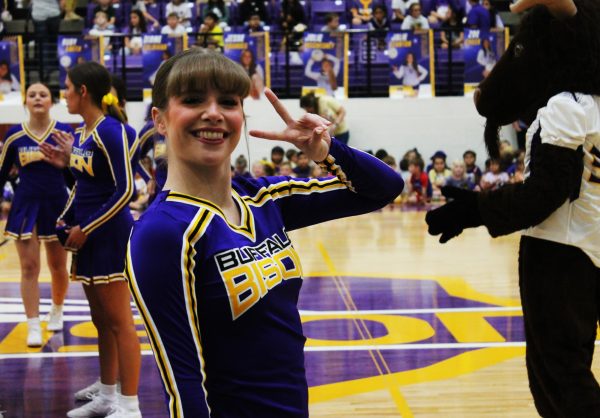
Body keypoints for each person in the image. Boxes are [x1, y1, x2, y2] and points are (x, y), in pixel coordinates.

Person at [125, 48, 403, 417]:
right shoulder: (162, 234)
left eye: (228, 101)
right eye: (193, 100)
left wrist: (325, 150)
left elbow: (383, 188)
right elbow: (183, 384)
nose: (213, 112)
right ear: (159, 120)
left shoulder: (264, 197)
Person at [40, 62, 141, 418]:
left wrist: (87, 227)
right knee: (100, 319)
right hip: (90, 236)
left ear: (83, 91)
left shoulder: (110, 131)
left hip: (109, 236)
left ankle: (130, 406)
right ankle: (108, 392)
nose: (63, 94)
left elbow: (126, 189)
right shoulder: (83, 133)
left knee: (119, 321)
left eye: (66, 87)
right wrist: (65, 218)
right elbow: (85, 186)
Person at [0, 83, 71, 347]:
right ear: (25, 102)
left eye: (43, 95)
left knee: (57, 266)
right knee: (29, 267)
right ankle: (32, 324)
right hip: (25, 205)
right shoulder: (14, 136)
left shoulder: (64, 132)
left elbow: (73, 175)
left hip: (57, 204)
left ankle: (57, 308)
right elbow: (2, 172)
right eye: (32, 95)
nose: (38, 98)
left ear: (51, 101)